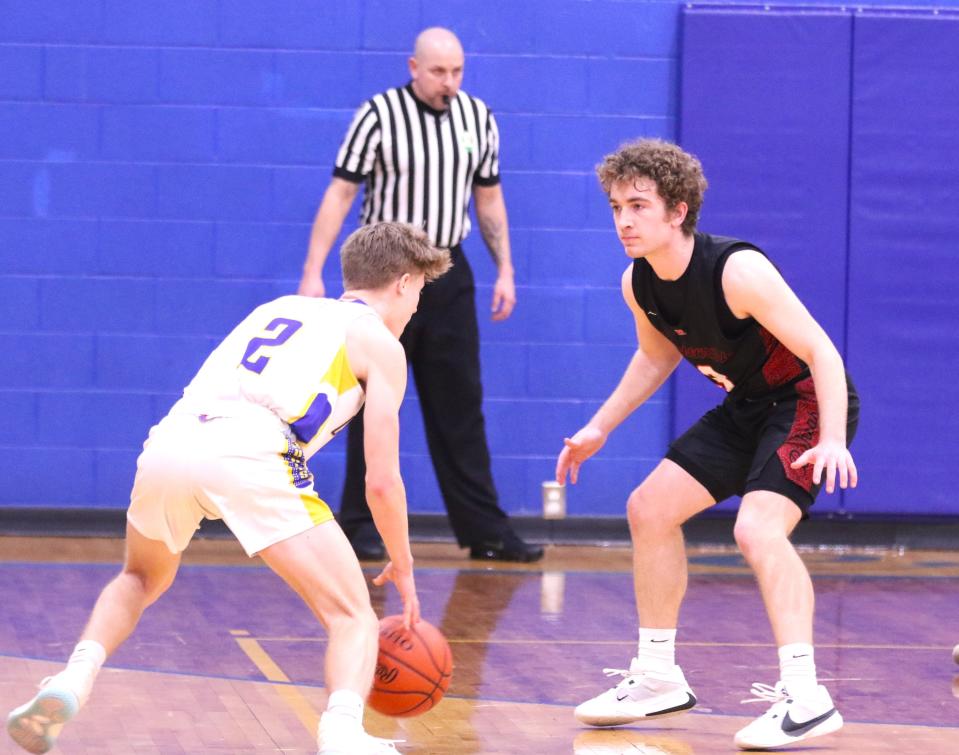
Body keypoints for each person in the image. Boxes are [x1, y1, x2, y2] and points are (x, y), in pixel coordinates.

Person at [6, 222, 450, 755]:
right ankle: (343, 736)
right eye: (420, 291)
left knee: (140, 576)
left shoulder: (279, 308)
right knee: (352, 614)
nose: (418, 306)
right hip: (253, 449)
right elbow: (380, 480)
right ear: (403, 282)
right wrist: (402, 563)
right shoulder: (380, 344)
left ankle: (70, 680)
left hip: (173, 437)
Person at [557, 139, 859, 751]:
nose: (623, 220)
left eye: (639, 205)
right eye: (616, 206)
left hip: (803, 400)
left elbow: (822, 351)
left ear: (679, 210)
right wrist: (600, 426)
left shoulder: (736, 270)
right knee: (648, 509)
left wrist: (830, 437)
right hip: (747, 408)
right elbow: (655, 354)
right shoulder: (638, 282)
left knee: (756, 530)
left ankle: (807, 696)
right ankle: (657, 676)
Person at [298, 27, 542, 564]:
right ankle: (360, 526)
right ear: (414, 66)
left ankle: (486, 530)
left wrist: (506, 269)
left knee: (461, 404)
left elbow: (490, 198)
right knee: (368, 402)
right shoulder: (378, 115)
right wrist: (314, 270)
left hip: (448, 270)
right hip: (385, 274)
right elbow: (341, 192)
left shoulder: (479, 117)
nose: (448, 82)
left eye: (457, 72)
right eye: (438, 72)